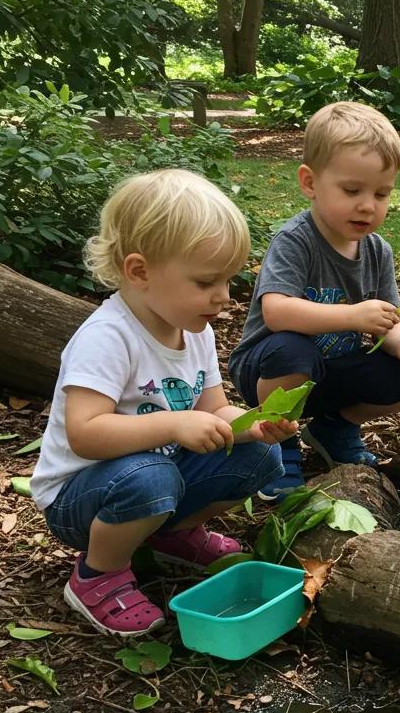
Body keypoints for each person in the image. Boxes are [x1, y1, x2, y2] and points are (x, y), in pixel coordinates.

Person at [30, 169, 293, 637]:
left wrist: (252, 425)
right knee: (150, 476)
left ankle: (171, 534)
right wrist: (174, 426)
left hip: (158, 480)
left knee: (261, 456)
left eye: (229, 280)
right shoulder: (108, 338)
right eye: (206, 282)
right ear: (139, 272)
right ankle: (96, 575)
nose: (223, 297)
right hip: (83, 500)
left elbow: (214, 409)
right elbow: (85, 433)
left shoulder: (196, 331)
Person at [228, 101, 400, 500]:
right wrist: (352, 316)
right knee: (293, 349)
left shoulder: (378, 252)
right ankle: (276, 445)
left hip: (328, 371)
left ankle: (333, 426)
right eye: (352, 190)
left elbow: (388, 318)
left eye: (381, 193)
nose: (367, 205)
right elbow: (276, 312)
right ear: (309, 183)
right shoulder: (296, 240)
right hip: (268, 369)